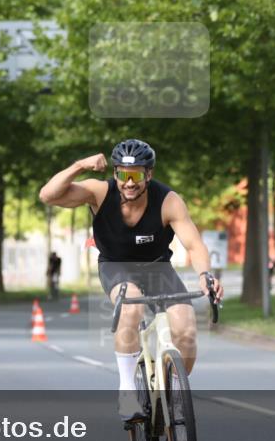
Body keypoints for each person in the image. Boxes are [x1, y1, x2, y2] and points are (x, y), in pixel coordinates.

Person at [39, 138, 224, 423]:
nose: (129, 182)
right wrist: (80, 165)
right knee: (130, 307)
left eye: (136, 175)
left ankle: (174, 394)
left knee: (186, 326)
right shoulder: (100, 193)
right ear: (114, 173)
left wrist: (205, 275)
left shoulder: (168, 201)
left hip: (157, 267)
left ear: (148, 174)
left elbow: (194, 244)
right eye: (123, 175)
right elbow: (48, 196)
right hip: (116, 266)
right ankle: (127, 391)